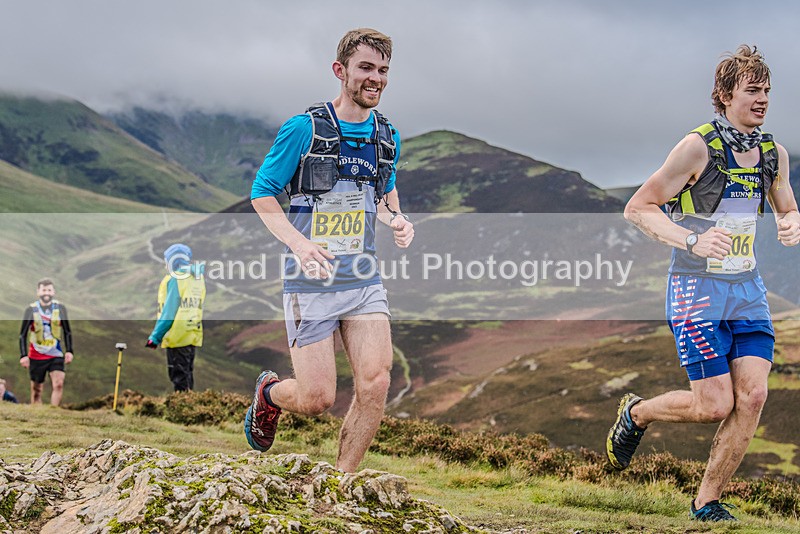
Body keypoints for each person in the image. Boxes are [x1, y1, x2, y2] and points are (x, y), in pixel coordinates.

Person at [607, 45, 800, 522]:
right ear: (725, 94)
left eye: (767, 91)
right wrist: (692, 241)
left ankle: (706, 501)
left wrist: (791, 222)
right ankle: (637, 413)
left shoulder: (773, 153)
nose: (762, 100)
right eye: (752, 91)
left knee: (753, 396)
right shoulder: (697, 147)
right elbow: (639, 207)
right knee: (714, 405)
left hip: (747, 289)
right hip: (697, 289)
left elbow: (786, 205)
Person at [245, 28, 414, 472]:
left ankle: (341, 487)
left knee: (375, 383)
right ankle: (269, 394)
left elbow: (382, 195)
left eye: (382, 70)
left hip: (363, 278)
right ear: (340, 71)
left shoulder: (387, 135)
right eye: (365, 68)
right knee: (317, 398)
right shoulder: (304, 129)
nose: (375, 78)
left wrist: (396, 218)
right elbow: (262, 193)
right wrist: (299, 244)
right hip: (311, 281)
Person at [146, 243, 206, 392]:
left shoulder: (175, 279)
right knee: (187, 373)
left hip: (176, 334)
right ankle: (190, 407)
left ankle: (183, 409)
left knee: (178, 376)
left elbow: (169, 312)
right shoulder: (197, 278)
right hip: (192, 332)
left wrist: (155, 337)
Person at [19, 278, 74, 406]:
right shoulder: (30, 310)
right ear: (38, 292)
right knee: (37, 390)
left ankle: (53, 412)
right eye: (44, 290)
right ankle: (37, 414)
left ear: (53, 292)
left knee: (58, 384)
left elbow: (67, 331)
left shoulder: (60, 308)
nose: (46, 293)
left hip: (56, 353)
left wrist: (69, 351)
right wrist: (23, 355)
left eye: (49, 290)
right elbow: (22, 334)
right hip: (36, 354)